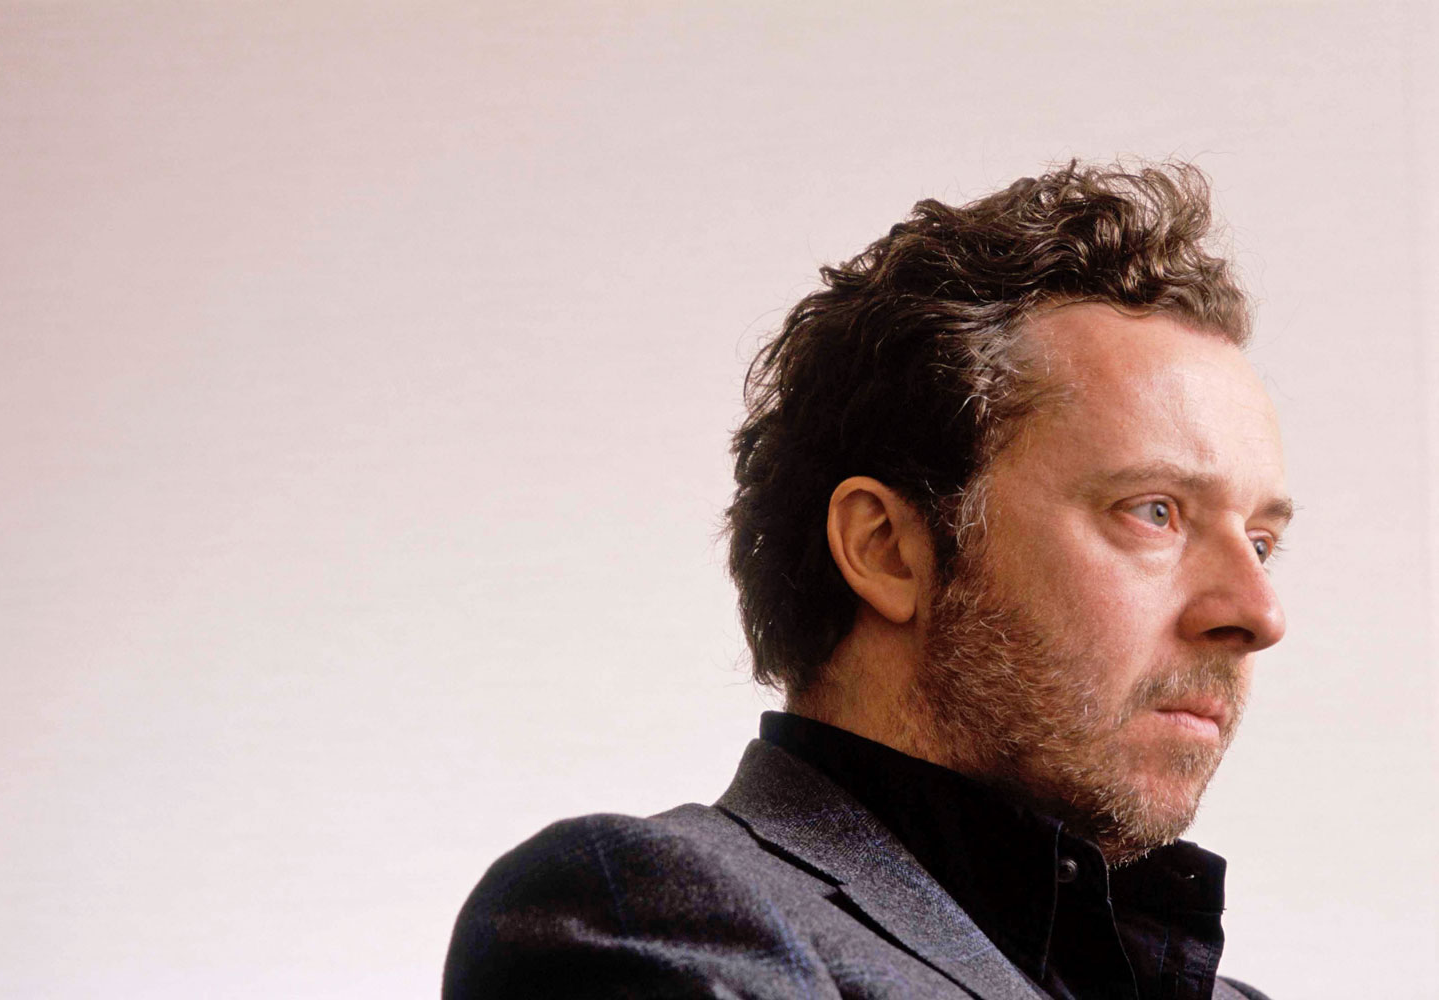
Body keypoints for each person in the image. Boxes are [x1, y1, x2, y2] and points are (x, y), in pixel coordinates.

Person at [443, 162, 1290, 1000]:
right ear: (886, 550)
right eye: (1154, 512)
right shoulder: (649, 915)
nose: (1258, 612)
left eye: (1261, 541)